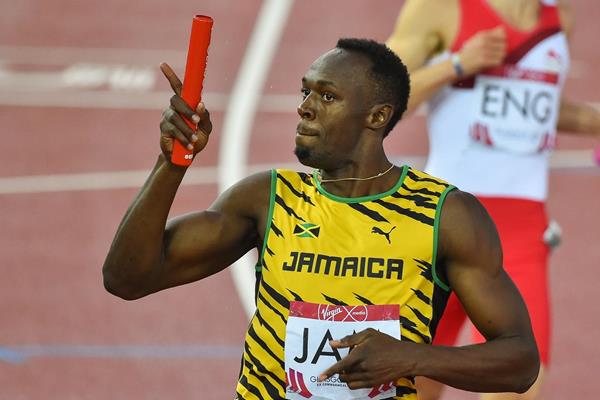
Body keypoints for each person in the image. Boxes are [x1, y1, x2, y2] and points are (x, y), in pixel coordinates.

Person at [102, 38, 540, 400]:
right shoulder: (268, 198)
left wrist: (411, 357)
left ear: (377, 116)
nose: (305, 107)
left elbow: (520, 361)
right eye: (305, 92)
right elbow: (127, 277)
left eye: (327, 96)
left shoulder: (444, 215)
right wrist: (171, 165)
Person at [385, 1, 600, 399]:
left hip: (520, 228)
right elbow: (377, 94)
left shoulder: (558, 19)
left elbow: (541, 105)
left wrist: (593, 123)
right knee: (412, 382)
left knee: (522, 377)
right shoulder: (440, 9)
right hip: (443, 225)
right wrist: (457, 65)